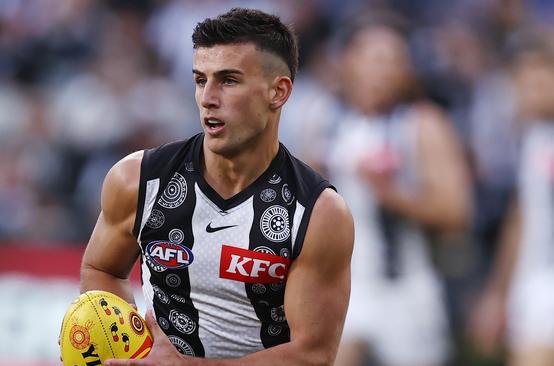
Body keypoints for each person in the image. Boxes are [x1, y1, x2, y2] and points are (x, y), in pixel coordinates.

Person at [79, 8, 354, 366]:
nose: (208, 97)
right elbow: (102, 269)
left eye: (228, 80)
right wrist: (124, 343)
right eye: (199, 79)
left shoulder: (317, 213)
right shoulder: (138, 179)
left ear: (278, 92)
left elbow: (312, 355)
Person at [316, 13, 471, 366]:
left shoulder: (423, 123)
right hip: (346, 285)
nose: (386, 70)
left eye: (396, 61)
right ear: (349, 62)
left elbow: (456, 211)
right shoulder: (327, 119)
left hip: (406, 289)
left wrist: (390, 194)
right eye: (376, 59)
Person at [468, 35, 554, 366]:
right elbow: (522, 218)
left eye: (537, 77)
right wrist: (498, 294)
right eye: (519, 79)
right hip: (535, 286)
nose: (525, 88)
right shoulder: (533, 136)